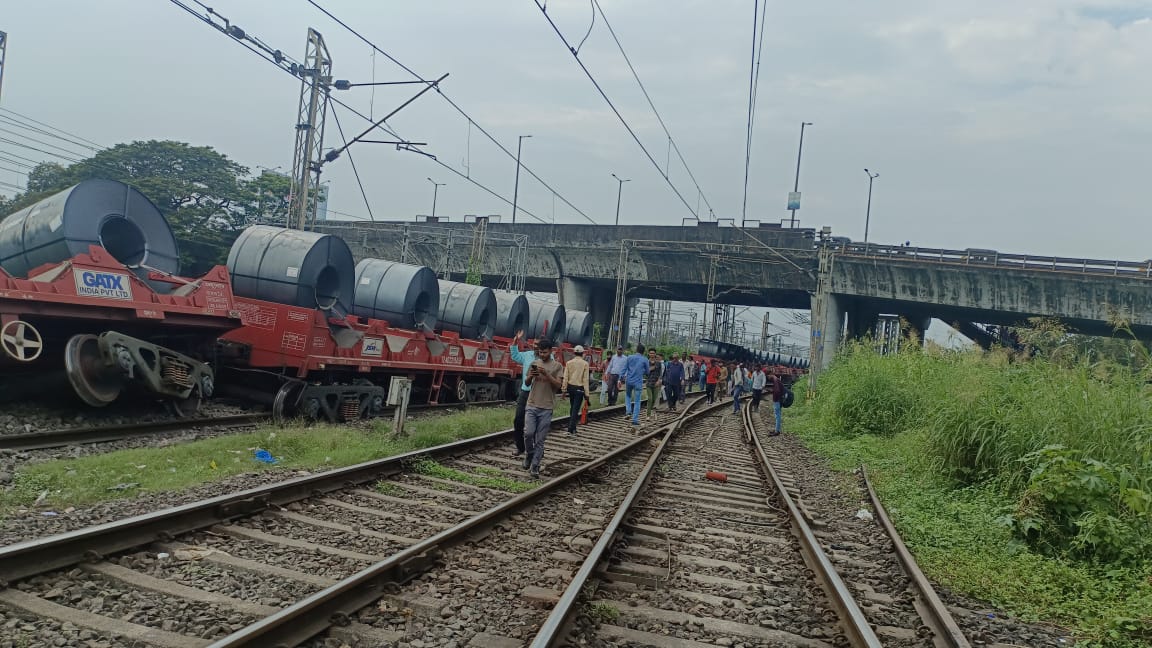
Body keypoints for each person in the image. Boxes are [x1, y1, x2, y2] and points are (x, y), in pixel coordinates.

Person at [523, 338, 564, 479]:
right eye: (540, 352)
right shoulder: (534, 363)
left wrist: (547, 374)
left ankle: (535, 466)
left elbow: (558, 385)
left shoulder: (557, 366)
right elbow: (527, 383)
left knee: (540, 439)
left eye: (545, 352)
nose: (542, 354)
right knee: (528, 433)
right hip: (532, 403)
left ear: (550, 351)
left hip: (546, 407)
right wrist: (530, 376)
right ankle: (529, 453)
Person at [508, 330, 535, 458]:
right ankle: (520, 447)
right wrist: (515, 341)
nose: (535, 346)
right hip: (525, 391)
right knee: (518, 420)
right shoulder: (528, 355)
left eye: (538, 344)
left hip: (538, 394)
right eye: (534, 344)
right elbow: (515, 355)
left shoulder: (548, 358)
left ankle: (535, 449)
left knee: (534, 423)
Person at [561, 345, 590, 436]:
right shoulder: (585, 364)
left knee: (573, 406)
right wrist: (587, 393)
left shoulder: (569, 363)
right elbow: (585, 380)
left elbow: (565, 377)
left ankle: (573, 428)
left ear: (574, 353)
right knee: (575, 409)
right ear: (582, 353)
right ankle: (570, 429)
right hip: (579, 388)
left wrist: (564, 389)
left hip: (571, 387)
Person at [622, 343, 648, 427]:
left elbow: (624, 368)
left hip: (629, 381)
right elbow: (647, 372)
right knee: (637, 401)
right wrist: (641, 371)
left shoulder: (629, 357)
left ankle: (628, 411)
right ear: (643, 351)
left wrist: (621, 378)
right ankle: (635, 419)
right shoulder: (645, 359)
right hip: (638, 382)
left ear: (636, 350)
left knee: (628, 396)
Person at [645, 349, 663, 420]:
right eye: (650, 353)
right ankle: (648, 415)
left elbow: (660, 373)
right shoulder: (646, 362)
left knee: (654, 399)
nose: (652, 354)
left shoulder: (658, 363)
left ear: (655, 354)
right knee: (650, 398)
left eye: (653, 353)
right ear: (649, 354)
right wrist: (650, 369)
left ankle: (652, 411)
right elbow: (644, 372)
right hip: (649, 382)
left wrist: (659, 381)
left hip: (656, 383)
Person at [768, 370, 784, 436]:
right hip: (779, 400)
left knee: (777, 415)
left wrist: (775, 398)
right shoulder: (776, 379)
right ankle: (777, 429)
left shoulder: (775, 379)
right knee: (778, 414)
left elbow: (777, 390)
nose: (768, 378)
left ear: (770, 374)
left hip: (777, 400)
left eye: (767, 376)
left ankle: (777, 431)